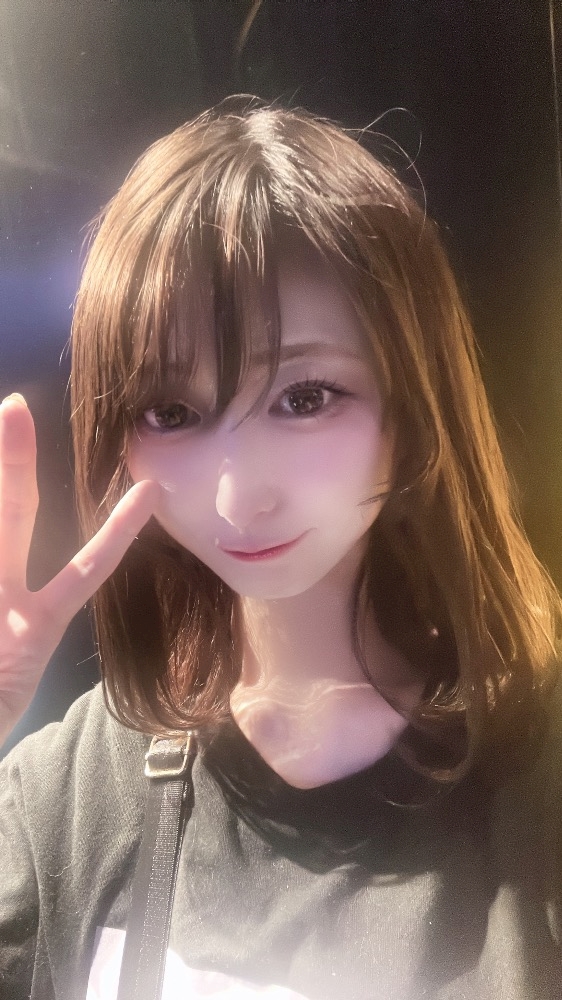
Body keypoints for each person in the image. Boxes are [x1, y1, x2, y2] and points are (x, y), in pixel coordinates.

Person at [0, 95, 561, 1000]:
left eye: (304, 398)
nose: (237, 496)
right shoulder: (71, 795)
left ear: (412, 407)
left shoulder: (539, 782)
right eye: (171, 412)